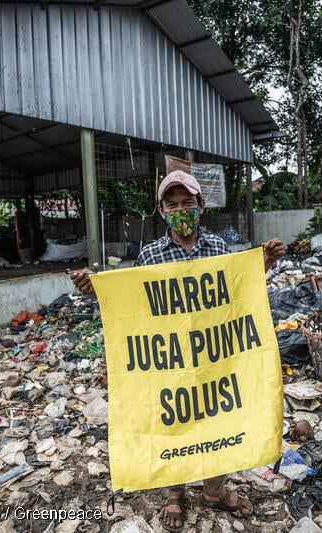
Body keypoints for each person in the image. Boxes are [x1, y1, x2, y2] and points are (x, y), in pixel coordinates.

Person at [70, 169, 285, 531]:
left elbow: (235, 291)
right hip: (170, 360)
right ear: (161, 211)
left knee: (217, 417)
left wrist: (261, 264)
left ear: (201, 206)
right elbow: (134, 303)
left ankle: (214, 489)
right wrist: (98, 288)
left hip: (214, 356)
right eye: (172, 204)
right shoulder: (150, 255)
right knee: (174, 419)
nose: (180, 209)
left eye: (188, 203)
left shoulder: (218, 248)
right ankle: (175, 493)